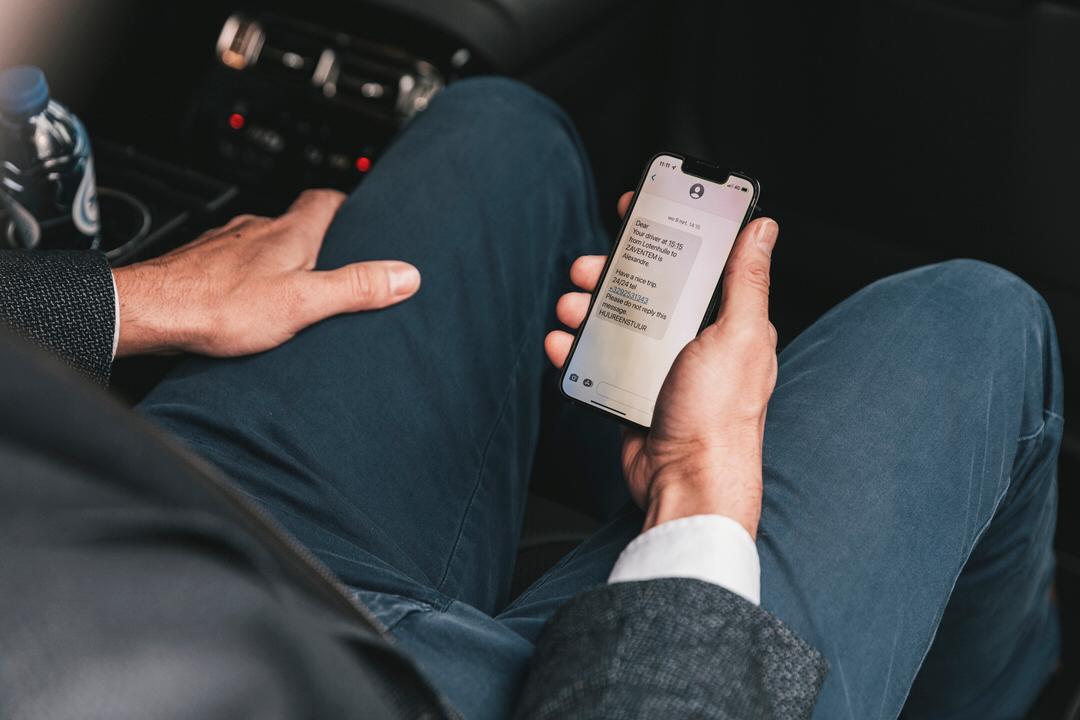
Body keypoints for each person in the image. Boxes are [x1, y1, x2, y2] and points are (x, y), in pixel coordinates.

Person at [0, 77, 1062, 720]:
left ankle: (602, 493)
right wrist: (695, 498)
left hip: (143, 549)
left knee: (498, 131)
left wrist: (120, 304)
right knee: (975, 320)